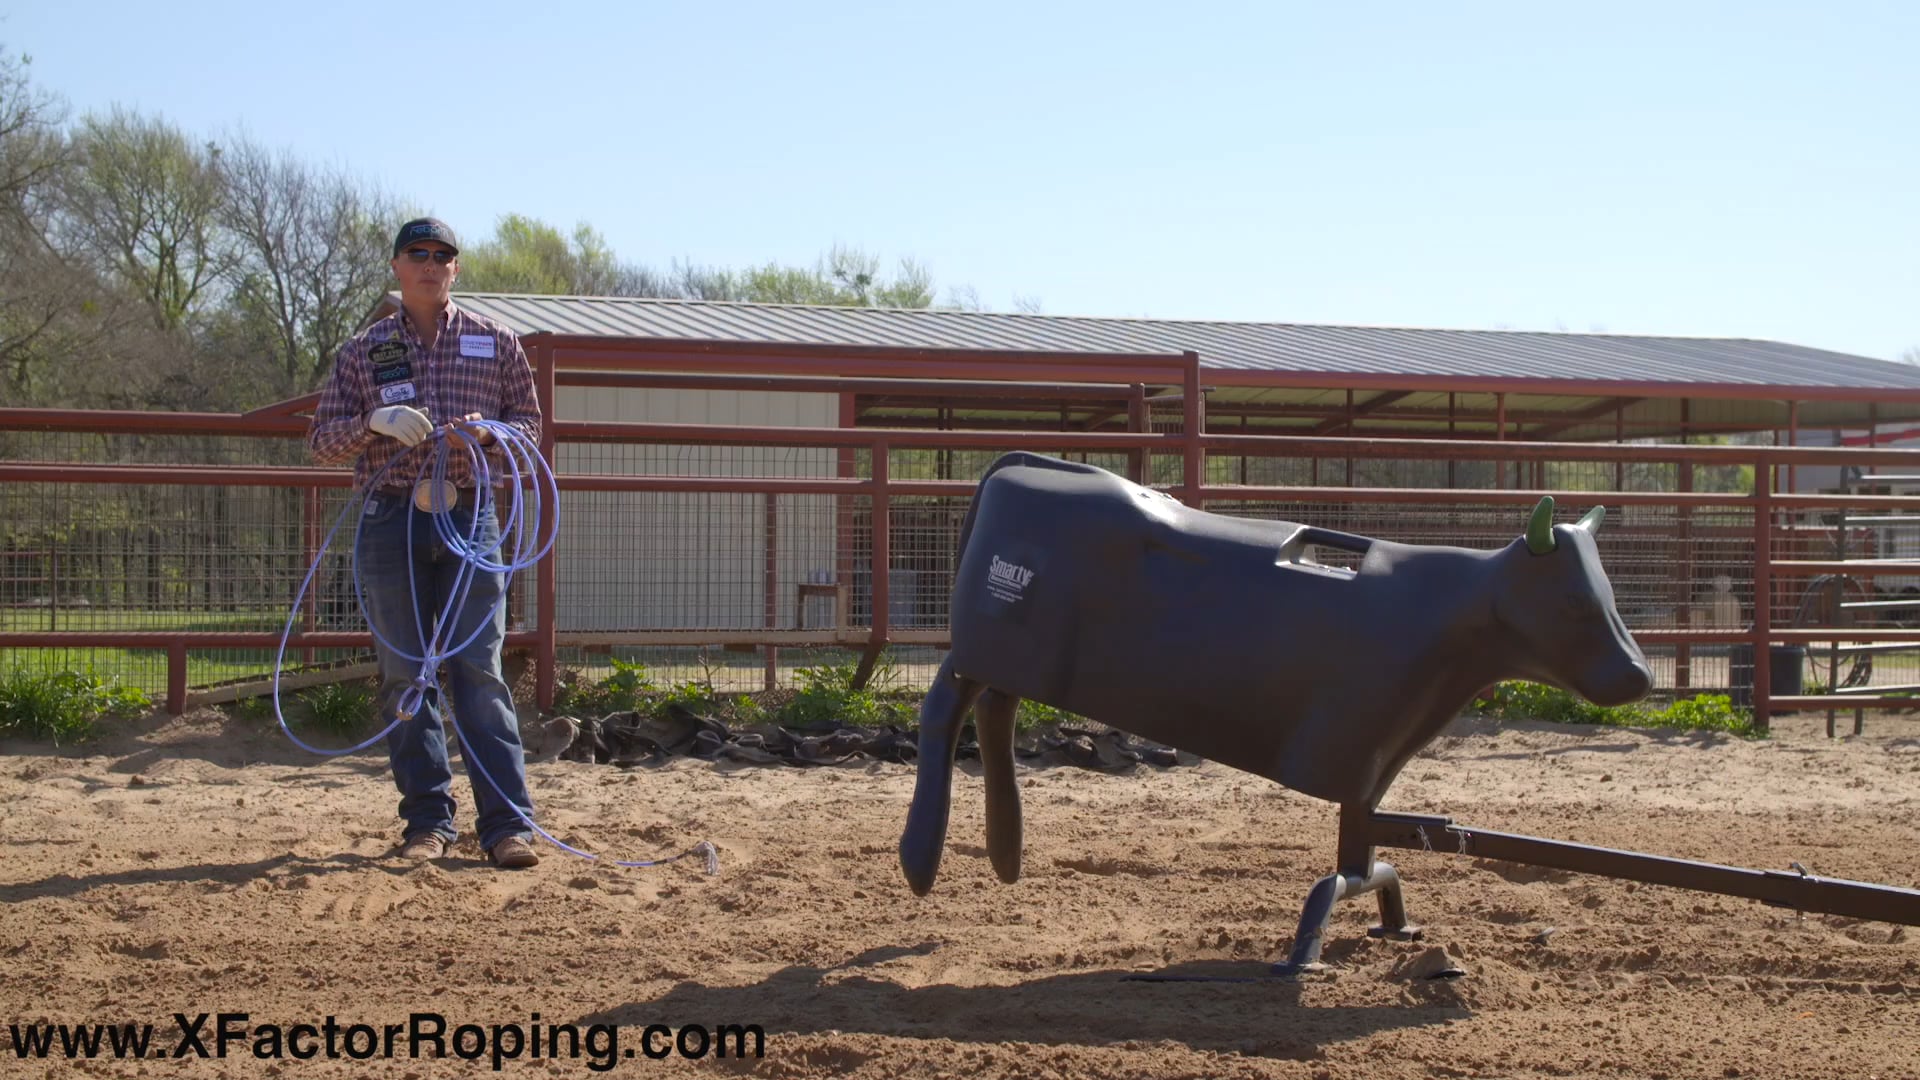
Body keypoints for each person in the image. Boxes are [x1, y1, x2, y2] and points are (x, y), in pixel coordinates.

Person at [306, 217, 544, 870]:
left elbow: (530, 423)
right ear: (397, 266)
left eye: (443, 255)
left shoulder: (497, 343)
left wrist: (490, 435)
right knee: (404, 674)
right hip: (390, 519)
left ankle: (506, 826)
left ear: (455, 270)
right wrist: (372, 423)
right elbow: (323, 442)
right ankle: (428, 823)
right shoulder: (363, 351)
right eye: (419, 253)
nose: (432, 263)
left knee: (477, 670)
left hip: (470, 520)